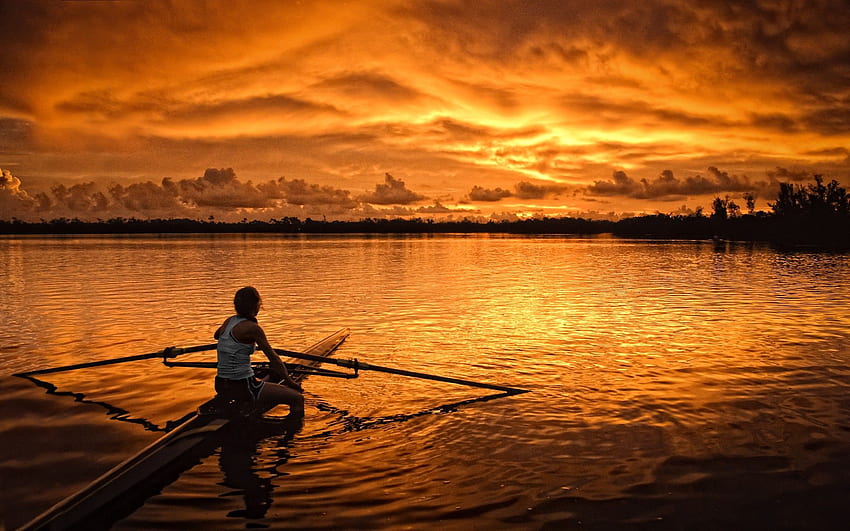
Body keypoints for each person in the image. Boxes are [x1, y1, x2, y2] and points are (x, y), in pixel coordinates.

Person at [214, 286, 304, 417]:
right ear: (255, 305)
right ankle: (293, 431)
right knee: (297, 398)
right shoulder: (253, 328)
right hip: (242, 386)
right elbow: (274, 359)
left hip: (221, 384)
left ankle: (249, 405)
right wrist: (290, 382)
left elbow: (217, 336)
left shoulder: (229, 321)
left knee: (263, 380)